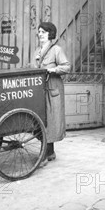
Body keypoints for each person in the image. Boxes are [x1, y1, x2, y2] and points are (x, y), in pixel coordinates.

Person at [31, 21, 70, 162]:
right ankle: (50, 152)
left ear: (50, 34)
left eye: (44, 32)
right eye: (39, 32)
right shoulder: (37, 51)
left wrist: (52, 69)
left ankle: (46, 153)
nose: (40, 34)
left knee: (51, 120)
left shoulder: (56, 50)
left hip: (53, 89)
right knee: (42, 119)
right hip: (41, 89)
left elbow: (66, 67)